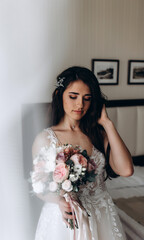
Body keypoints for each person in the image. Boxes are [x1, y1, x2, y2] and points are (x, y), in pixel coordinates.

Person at [31, 66, 134, 240]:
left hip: (102, 214)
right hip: (66, 218)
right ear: (59, 95)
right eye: (73, 97)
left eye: (87, 98)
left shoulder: (99, 135)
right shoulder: (46, 139)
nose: (80, 105)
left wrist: (107, 124)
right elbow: (39, 186)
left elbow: (126, 170)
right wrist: (59, 202)